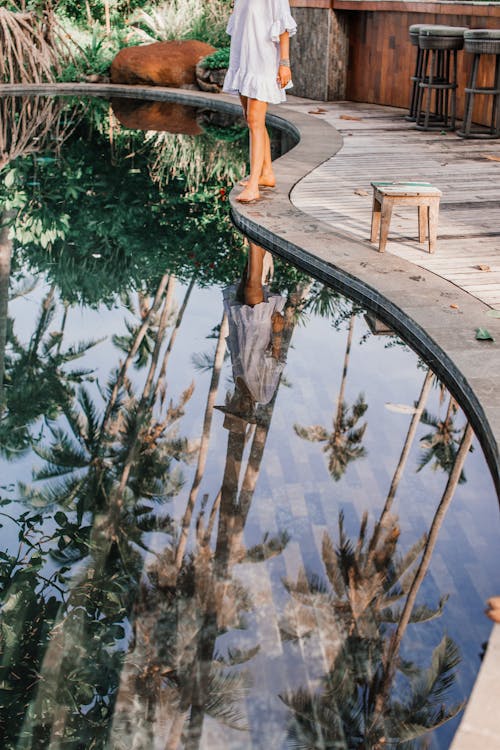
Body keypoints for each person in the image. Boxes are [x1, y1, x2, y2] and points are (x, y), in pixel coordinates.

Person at [223, 0, 297, 204]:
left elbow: (283, 25)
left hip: (261, 62)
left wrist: (284, 64)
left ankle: (254, 185)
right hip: (242, 61)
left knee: (255, 121)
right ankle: (267, 174)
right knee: (252, 120)